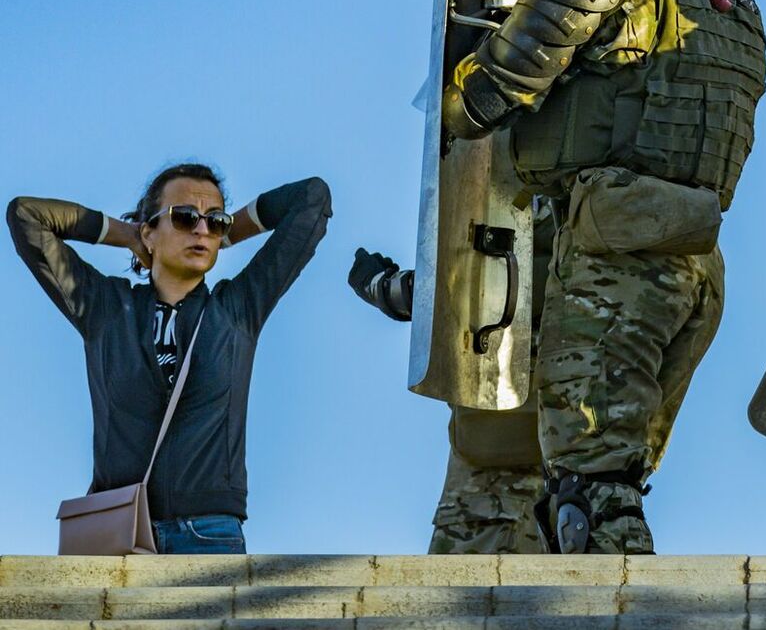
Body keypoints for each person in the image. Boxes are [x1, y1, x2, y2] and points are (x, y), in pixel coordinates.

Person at [442, 0, 766, 554]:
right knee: (615, 479)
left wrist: (459, 65)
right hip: (693, 262)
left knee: (590, 494)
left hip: (610, 262)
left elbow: (488, 97)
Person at [8, 165, 330, 554]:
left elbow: (311, 199)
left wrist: (226, 235)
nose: (201, 230)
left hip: (211, 533)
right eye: (184, 217)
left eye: (215, 220)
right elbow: (27, 215)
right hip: (118, 532)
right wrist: (127, 234)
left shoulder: (237, 309)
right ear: (149, 231)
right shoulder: (107, 309)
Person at [348, 240, 548, 554]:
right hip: (588, 448)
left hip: (500, 458)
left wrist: (389, 289)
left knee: (467, 595)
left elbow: (477, 285)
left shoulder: (538, 204)